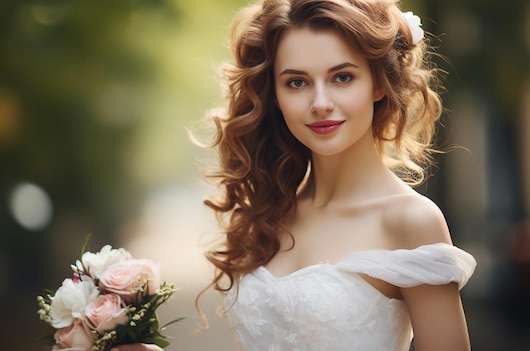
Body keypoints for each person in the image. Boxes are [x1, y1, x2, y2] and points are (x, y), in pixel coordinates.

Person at [116, 0, 476, 350]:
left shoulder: (411, 220)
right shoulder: (269, 213)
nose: (320, 102)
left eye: (342, 77)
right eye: (297, 83)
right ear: (275, 94)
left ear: (378, 84)